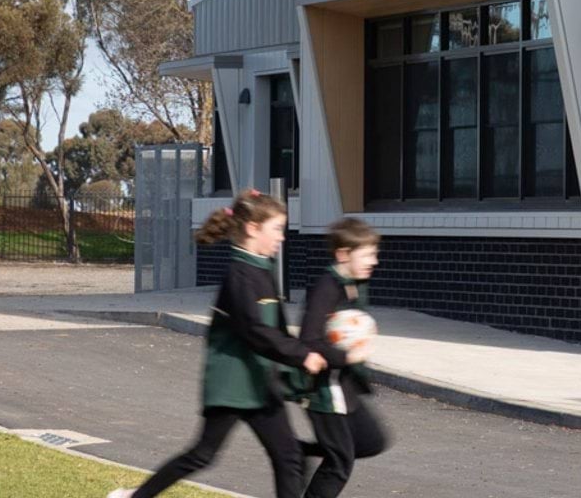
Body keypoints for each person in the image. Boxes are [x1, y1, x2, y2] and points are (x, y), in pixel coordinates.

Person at [109, 190, 327, 498]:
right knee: (203, 454)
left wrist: (296, 365)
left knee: (289, 456)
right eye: (277, 229)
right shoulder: (240, 275)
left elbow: (275, 329)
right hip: (232, 388)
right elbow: (256, 331)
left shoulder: (260, 269)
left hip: (260, 384)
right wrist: (302, 356)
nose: (283, 237)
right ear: (253, 228)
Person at [295, 217, 388, 498]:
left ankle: (298, 450)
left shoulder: (354, 284)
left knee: (372, 441)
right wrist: (346, 356)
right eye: (368, 254)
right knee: (339, 463)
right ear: (343, 254)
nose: (374, 261)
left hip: (346, 386)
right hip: (325, 390)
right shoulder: (327, 288)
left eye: (375, 253)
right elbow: (308, 340)